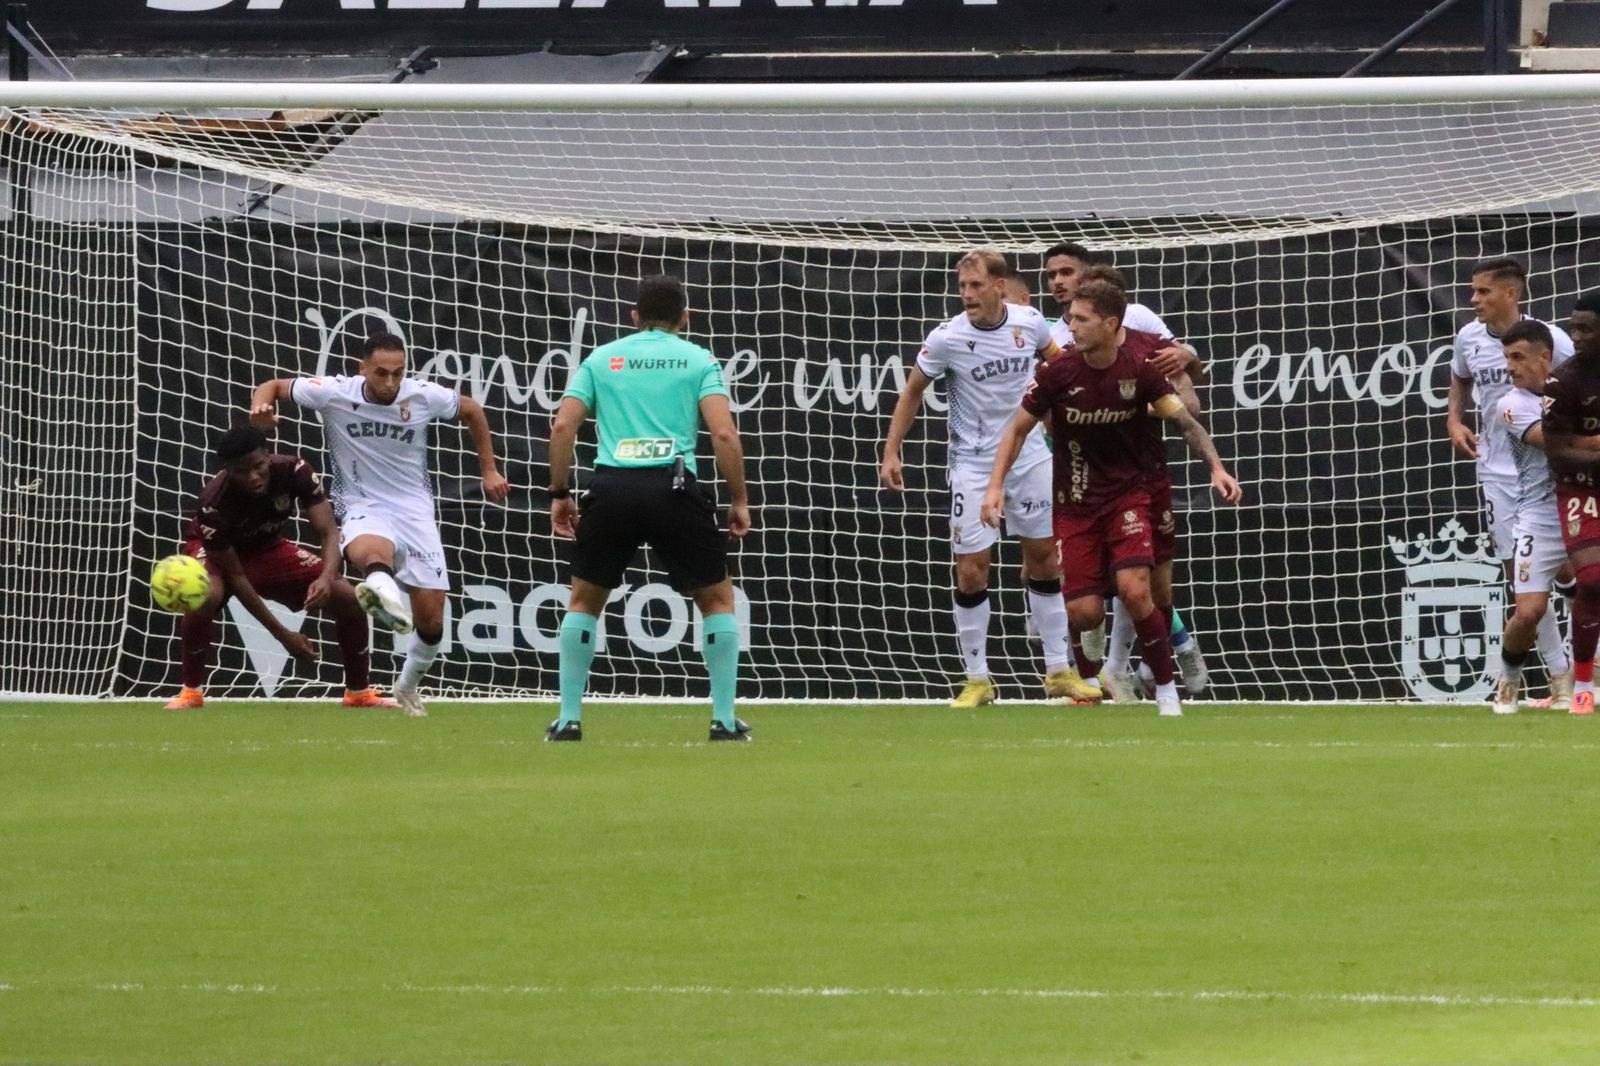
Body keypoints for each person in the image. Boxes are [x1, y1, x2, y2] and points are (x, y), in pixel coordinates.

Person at [983, 279, 1242, 718]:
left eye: (1081, 319)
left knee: (1136, 590)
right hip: (1076, 501)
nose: (1072, 326)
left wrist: (1216, 467)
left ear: (1109, 323)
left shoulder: (1139, 369)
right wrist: (993, 487)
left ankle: (1164, 689)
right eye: (1071, 319)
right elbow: (1017, 430)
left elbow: (1187, 421)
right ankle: (1094, 680)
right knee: (1084, 612)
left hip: (1131, 495)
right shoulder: (1058, 373)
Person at [249, 332, 510, 718]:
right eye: (381, 374)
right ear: (363, 369)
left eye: (398, 373)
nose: (390, 383)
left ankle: (406, 685)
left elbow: (471, 409)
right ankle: (380, 592)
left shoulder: (420, 395)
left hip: (415, 510)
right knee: (373, 552)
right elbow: (273, 386)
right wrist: (260, 407)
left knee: (432, 623)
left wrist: (488, 469)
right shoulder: (333, 392)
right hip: (362, 502)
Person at [881, 248, 1098, 708]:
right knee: (972, 569)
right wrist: (891, 451)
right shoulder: (946, 339)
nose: (967, 295)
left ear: (1000, 287)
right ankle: (977, 678)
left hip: (1031, 457)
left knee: (1043, 559)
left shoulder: (1030, 322)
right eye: (962, 287)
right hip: (974, 464)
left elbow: (1059, 366)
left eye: (976, 286)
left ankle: (1059, 670)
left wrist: (1072, 416)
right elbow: (912, 392)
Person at [545, 274, 753, 742]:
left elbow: (562, 428)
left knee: (583, 601)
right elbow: (724, 434)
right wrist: (738, 499)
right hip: (674, 487)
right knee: (717, 600)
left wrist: (559, 493)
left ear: (634, 317)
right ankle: (722, 720)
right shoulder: (698, 358)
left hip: (612, 487)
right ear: (686, 317)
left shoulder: (602, 358)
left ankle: (568, 720)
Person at [1041, 246, 1210, 699]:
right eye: (1052, 275)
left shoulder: (1140, 324)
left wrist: (1181, 363)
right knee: (1100, 591)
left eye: (1067, 273)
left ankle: (1164, 654)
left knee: (1147, 589)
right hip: (1083, 481)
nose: (1060, 283)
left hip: (1144, 475)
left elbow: (1189, 382)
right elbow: (1044, 414)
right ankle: (1106, 672)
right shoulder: (1062, 338)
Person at [164, 426, 392, 711]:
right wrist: (283, 635)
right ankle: (191, 692)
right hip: (218, 556)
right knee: (207, 594)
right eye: (240, 471)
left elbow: (329, 533)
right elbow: (236, 575)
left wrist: (326, 577)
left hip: (266, 548)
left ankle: (358, 693)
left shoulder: (296, 471)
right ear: (227, 470)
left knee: (348, 599)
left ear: (268, 457)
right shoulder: (214, 503)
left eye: (258, 466)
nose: (253, 477)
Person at [1447, 257, 1575, 709]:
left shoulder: (1551, 339)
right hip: (1497, 473)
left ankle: (1581, 673)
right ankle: (1560, 677)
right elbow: (1460, 378)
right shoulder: (1468, 338)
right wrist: (1454, 420)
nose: (1474, 299)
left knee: (1572, 574)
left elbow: (1580, 386)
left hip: (1556, 477)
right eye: (1472, 291)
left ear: (1510, 294)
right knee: (1525, 590)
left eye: (1483, 292)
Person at [1489, 321, 1572, 713]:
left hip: (1580, 507)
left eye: (1518, 357)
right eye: (1507, 358)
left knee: (1591, 589)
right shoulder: (1511, 404)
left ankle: (1578, 682)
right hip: (1538, 517)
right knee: (1529, 612)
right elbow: (1555, 444)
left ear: (1545, 358)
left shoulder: (1576, 386)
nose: (1510, 367)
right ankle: (1508, 678)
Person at [1538, 291, 1600, 715]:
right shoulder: (1561, 382)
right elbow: (1558, 454)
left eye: (1585, 329)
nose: (1575, 336)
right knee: (1592, 581)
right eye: (1573, 327)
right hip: (1580, 489)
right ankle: (1582, 684)